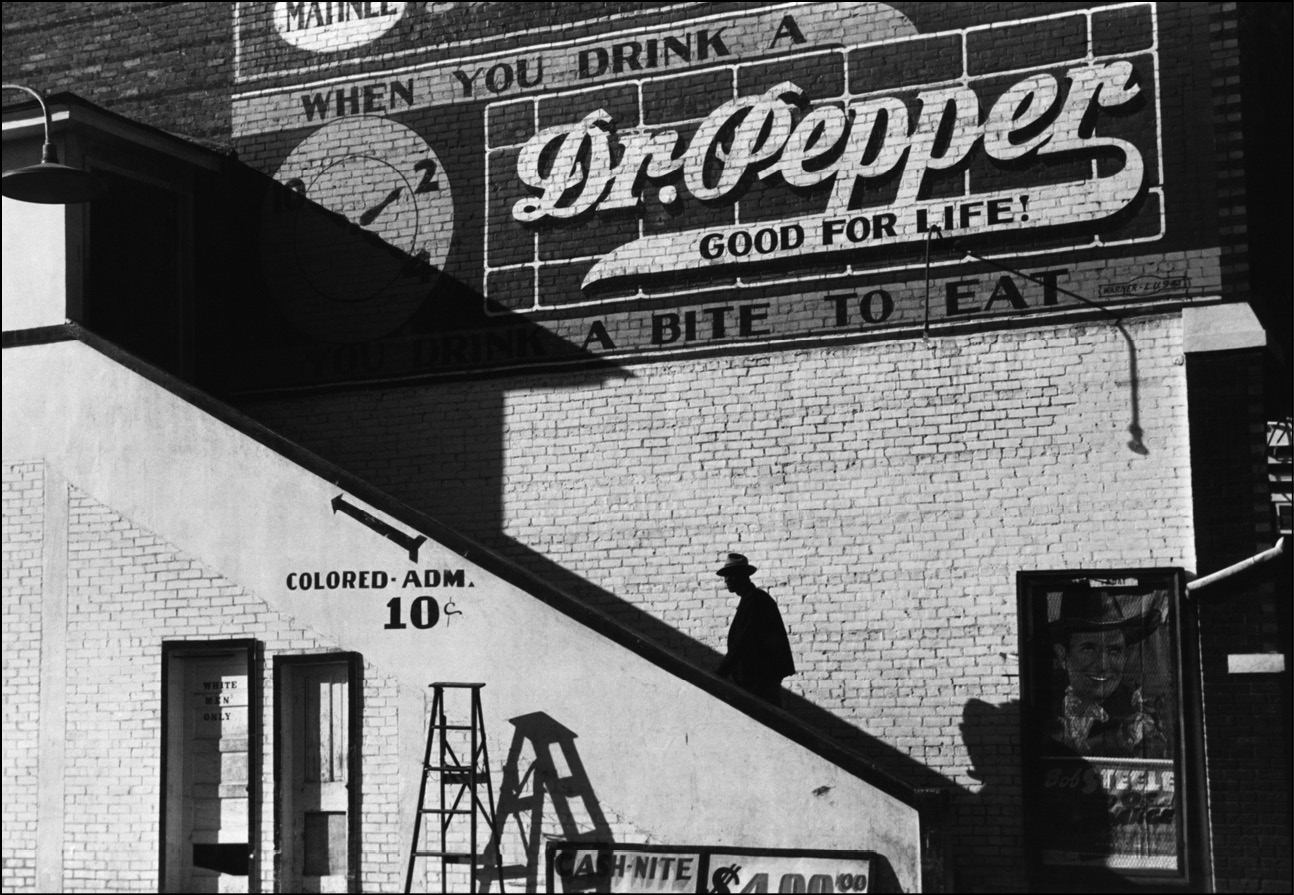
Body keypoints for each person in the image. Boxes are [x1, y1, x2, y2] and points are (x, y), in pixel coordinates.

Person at [1048, 588, 1169, 759]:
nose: (1104, 665)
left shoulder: (1136, 715)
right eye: (1088, 649)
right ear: (1063, 656)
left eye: (1114, 650)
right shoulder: (1044, 705)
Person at [714, 553, 795, 707]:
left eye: (731, 575)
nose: (727, 580)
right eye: (726, 576)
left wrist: (721, 672)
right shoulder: (753, 599)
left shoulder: (754, 601)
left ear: (743, 576)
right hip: (760, 678)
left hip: (760, 679)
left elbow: (742, 641)